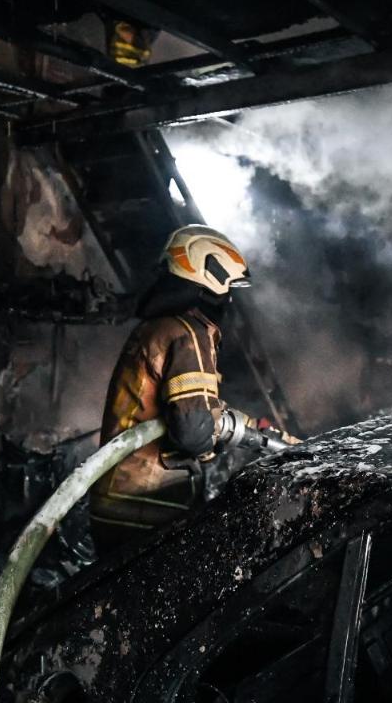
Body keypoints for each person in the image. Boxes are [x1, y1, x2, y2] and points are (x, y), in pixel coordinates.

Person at [90, 225, 285, 552]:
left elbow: (195, 407)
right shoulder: (189, 334)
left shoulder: (158, 328)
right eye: (229, 289)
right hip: (147, 505)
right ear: (211, 280)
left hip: (116, 499)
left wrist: (251, 428)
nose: (230, 298)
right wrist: (219, 440)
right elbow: (193, 432)